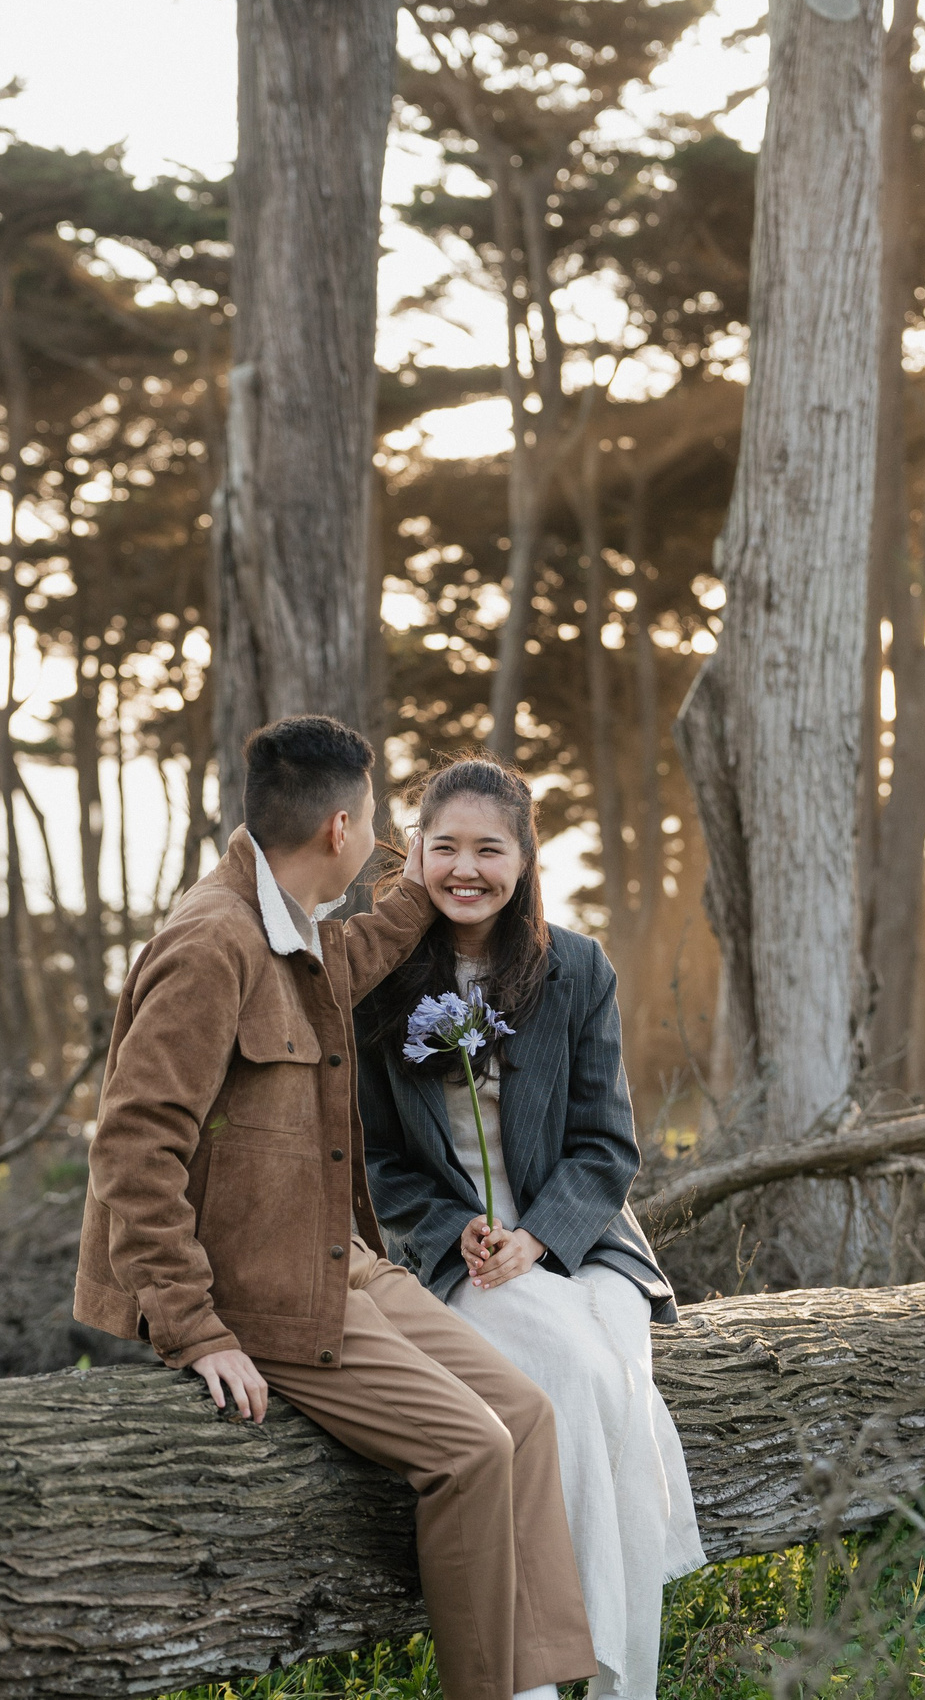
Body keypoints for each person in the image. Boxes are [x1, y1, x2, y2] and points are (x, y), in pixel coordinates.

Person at [75, 716, 595, 1700]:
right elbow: (132, 1149)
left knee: (526, 1411)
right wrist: (195, 1330)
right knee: (472, 1449)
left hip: (332, 1257)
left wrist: (427, 885)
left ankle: (539, 1685)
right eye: (381, 821)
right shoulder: (210, 943)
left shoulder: (285, 926)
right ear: (340, 828)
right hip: (259, 1291)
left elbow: (350, 959)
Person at [358, 758, 705, 1700]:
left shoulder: (576, 967)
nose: (465, 869)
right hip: (461, 1256)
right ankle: (552, 1665)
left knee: (605, 1373)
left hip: (579, 1244)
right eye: (444, 847)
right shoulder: (377, 974)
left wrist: (539, 1236)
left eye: (489, 849)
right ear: (414, 853)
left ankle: (613, 1664)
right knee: (574, 1374)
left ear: (523, 857)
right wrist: (458, 1229)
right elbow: (378, 1159)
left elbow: (607, 1144)